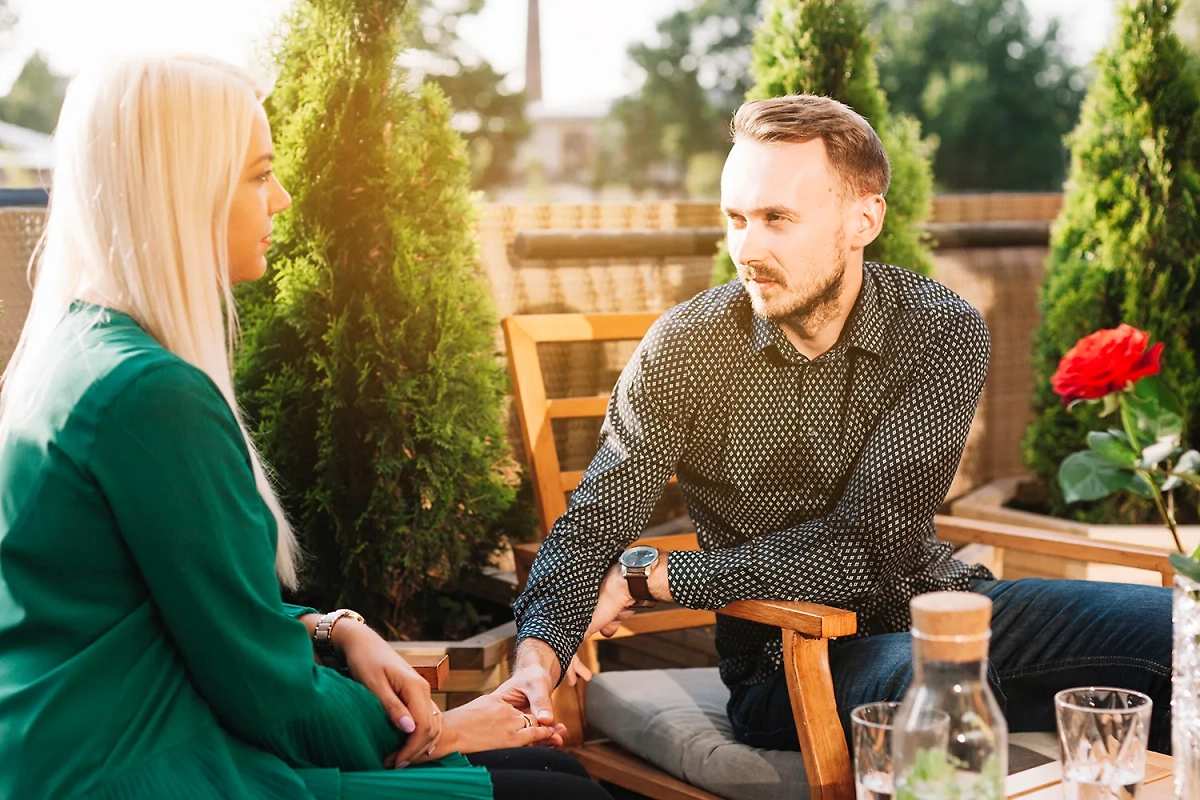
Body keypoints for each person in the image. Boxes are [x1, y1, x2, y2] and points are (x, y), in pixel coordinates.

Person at [0, 53, 610, 800]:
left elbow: (200, 610)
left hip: (85, 744)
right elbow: (264, 690)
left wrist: (332, 628)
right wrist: (441, 730)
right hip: (138, 767)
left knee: (545, 772)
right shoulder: (149, 394)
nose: (281, 199)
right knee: (560, 787)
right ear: (183, 192)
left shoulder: (75, 349)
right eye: (259, 175)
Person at [498, 94, 1172, 754]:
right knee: (938, 687)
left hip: (939, 604)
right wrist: (538, 657)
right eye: (736, 219)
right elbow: (593, 524)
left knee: (1183, 632)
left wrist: (650, 579)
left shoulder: (938, 329)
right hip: (788, 659)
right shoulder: (687, 348)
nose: (748, 248)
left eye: (776, 218)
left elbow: (868, 550)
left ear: (863, 220)